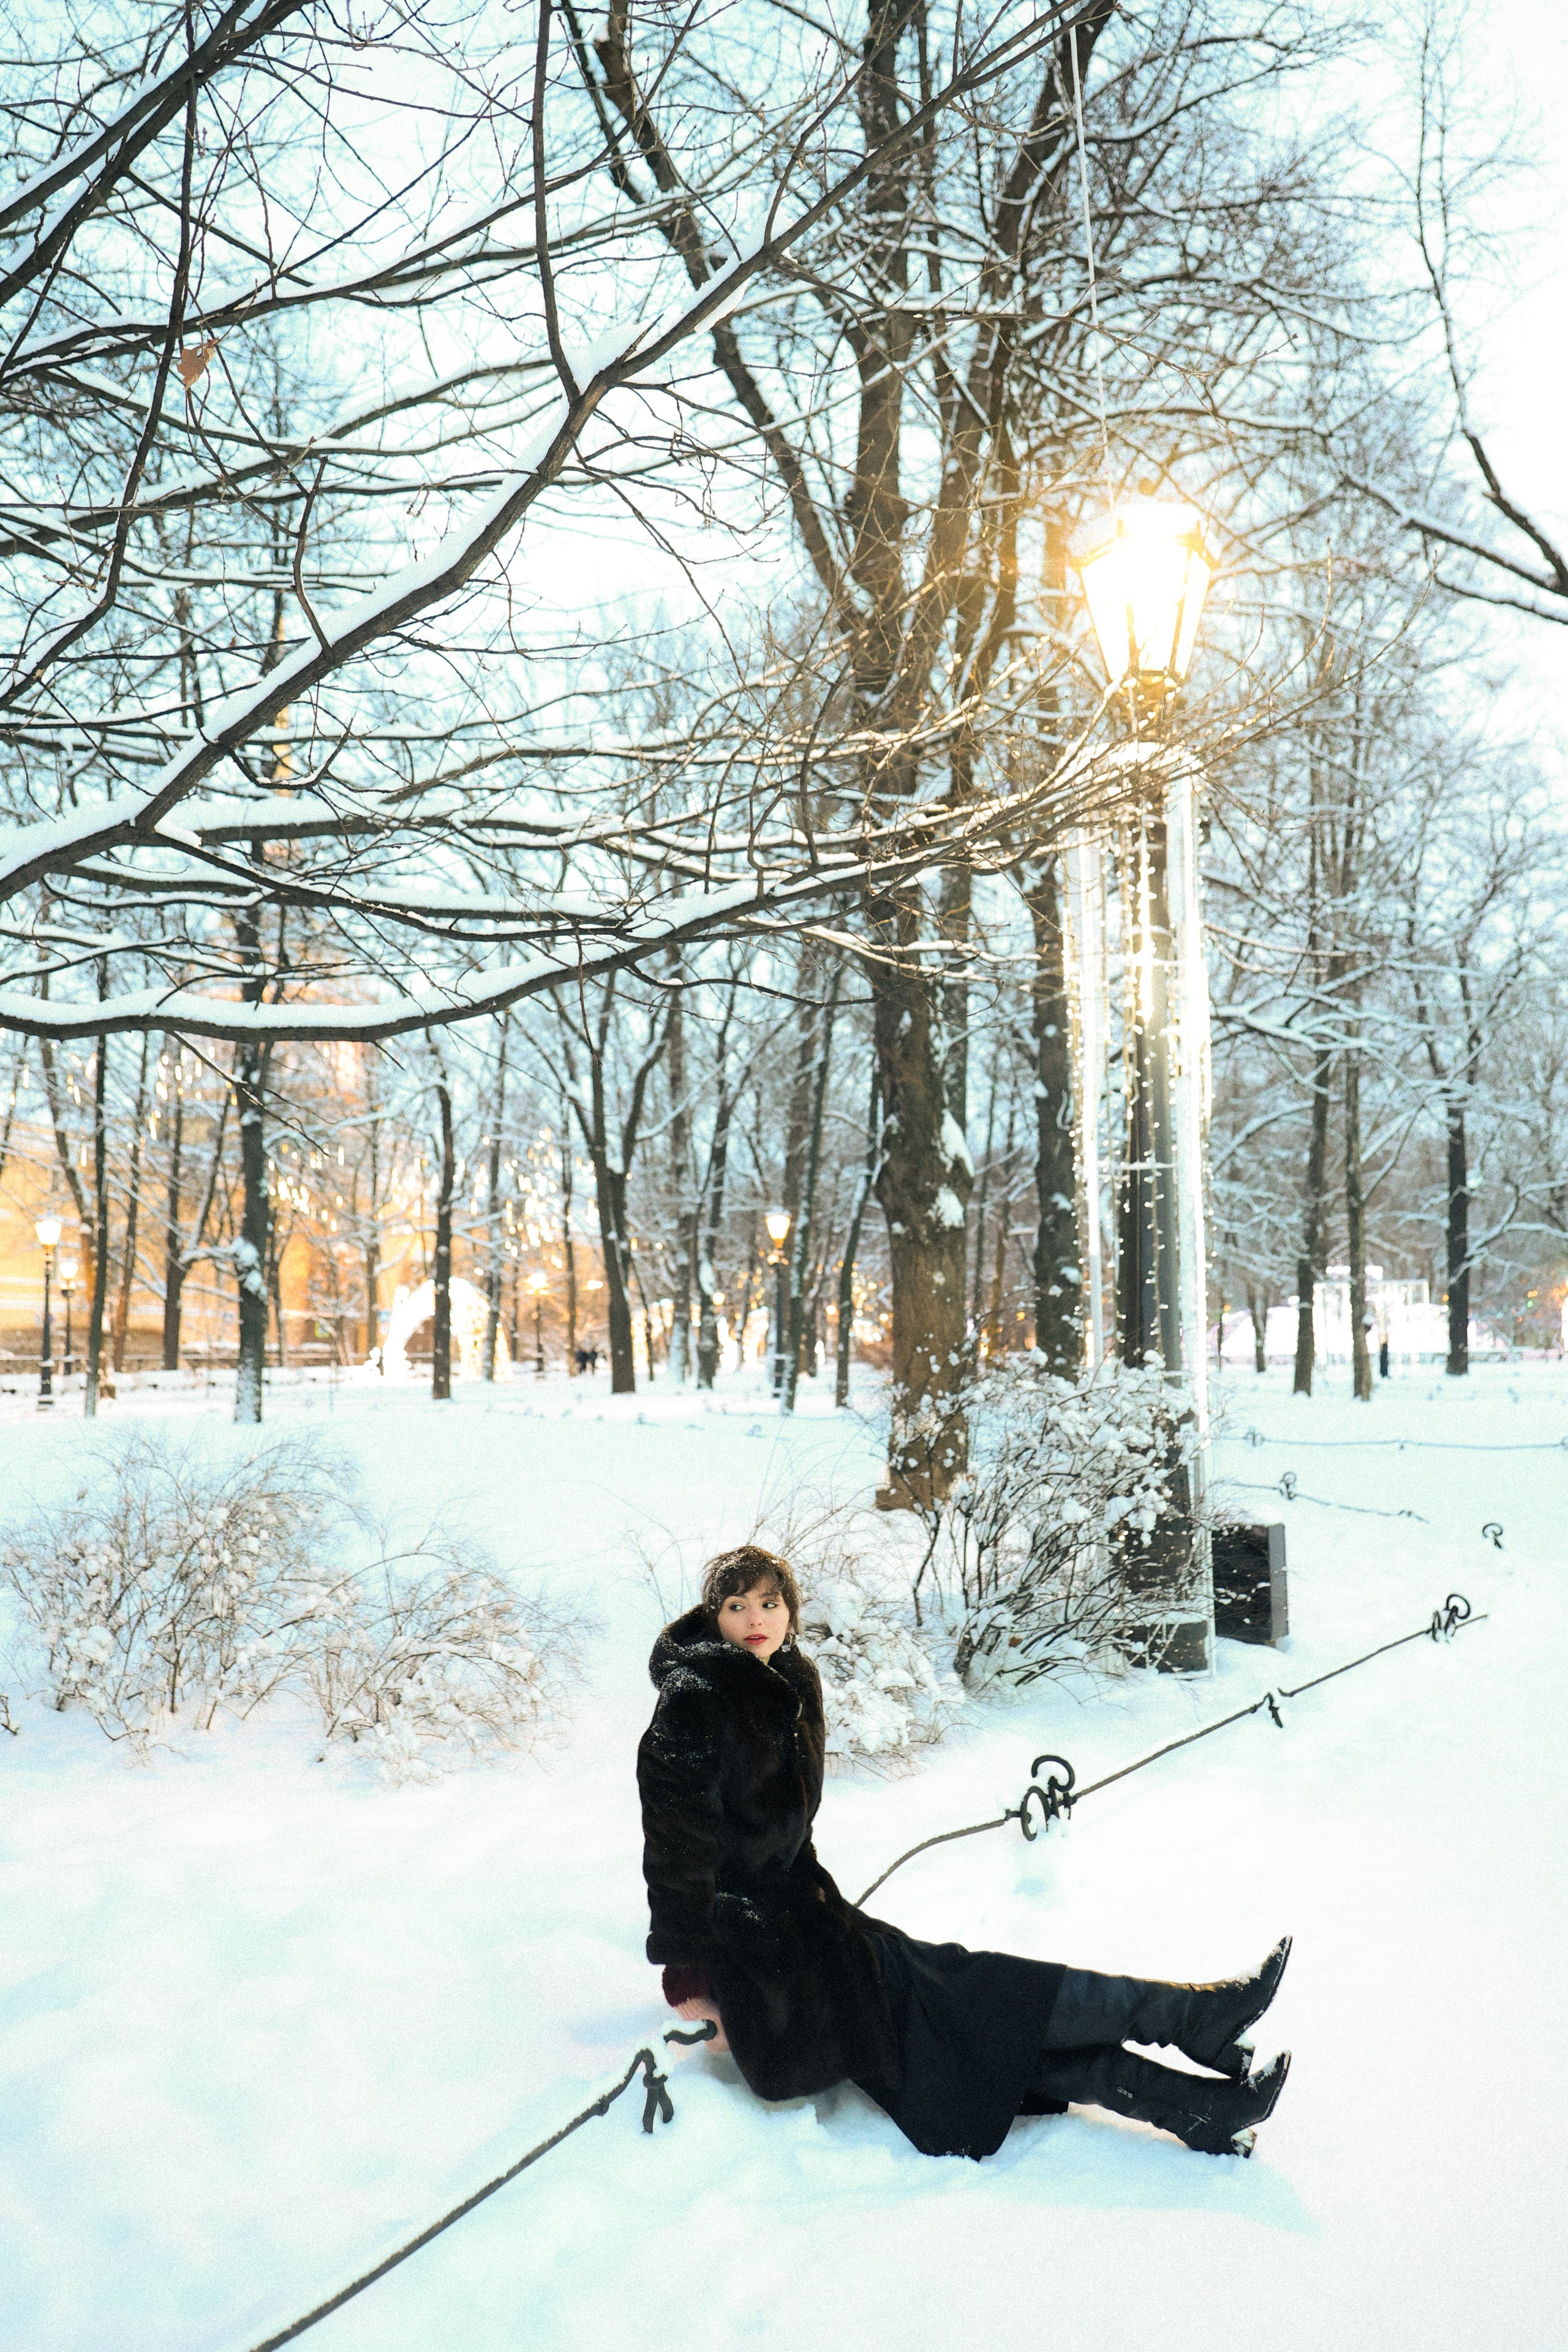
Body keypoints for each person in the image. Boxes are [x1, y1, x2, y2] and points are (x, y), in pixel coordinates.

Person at [638, 1545, 1293, 2163]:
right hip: (753, 1952)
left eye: (769, 1603)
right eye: (737, 1606)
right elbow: (675, 1850)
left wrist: (826, 1912)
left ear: (790, 1612)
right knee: (966, 2005)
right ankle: (1188, 2020)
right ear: (714, 1617)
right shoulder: (693, 1703)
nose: (756, 1620)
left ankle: (1198, 2096)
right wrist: (687, 1975)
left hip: (808, 1920)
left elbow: (790, 1835)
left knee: (970, 2012)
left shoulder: (788, 1682)